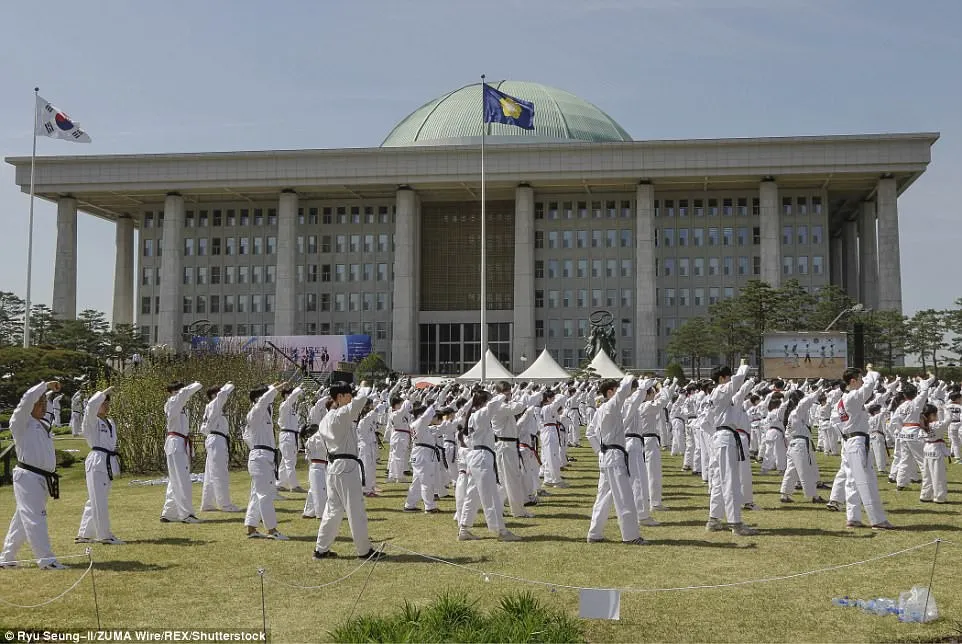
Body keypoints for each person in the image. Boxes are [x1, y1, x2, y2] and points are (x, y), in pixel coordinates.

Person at [314, 381, 386, 560]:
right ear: (339, 397)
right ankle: (364, 550)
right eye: (348, 395)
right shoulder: (342, 415)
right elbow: (361, 398)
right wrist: (363, 385)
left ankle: (321, 549)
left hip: (333, 467)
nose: (351, 398)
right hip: (346, 466)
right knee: (355, 509)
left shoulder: (325, 419)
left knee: (333, 510)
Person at [0, 381, 66, 569]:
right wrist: (45, 385)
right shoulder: (20, 422)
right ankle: (46, 560)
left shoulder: (42, 424)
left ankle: (6, 557)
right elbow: (27, 399)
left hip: (42, 478)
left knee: (22, 519)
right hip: (28, 477)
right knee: (36, 517)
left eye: (45, 403)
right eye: (40, 403)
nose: (43, 406)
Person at [586, 375, 646, 545]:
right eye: (616, 389)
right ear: (610, 392)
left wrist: (599, 451)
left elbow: (590, 432)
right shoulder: (611, 405)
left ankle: (594, 533)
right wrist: (630, 377)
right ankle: (631, 536)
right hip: (614, 456)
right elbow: (625, 389)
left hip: (606, 456)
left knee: (603, 496)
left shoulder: (601, 409)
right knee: (624, 496)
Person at [836, 365, 895, 530]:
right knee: (866, 480)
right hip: (856, 441)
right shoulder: (853, 397)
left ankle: (853, 517)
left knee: (852, 481)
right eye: (860, 379)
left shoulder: (842, 400)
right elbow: (869, 385)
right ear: (853, 381)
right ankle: (877, 520)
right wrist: (871, 371)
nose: (862, 382)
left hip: (849, 442)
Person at [706, 362, 758, 536]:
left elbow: (739, 394)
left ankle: (714, 519)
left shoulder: (723, 398)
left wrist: (749, 383)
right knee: (730, 481)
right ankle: (735, 523)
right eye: (727, 377)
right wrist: (744, 368)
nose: (729, 380)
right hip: (725, 438)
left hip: (723, 438)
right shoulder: (720, 391)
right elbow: (735, 384)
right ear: (722, 378)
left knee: (720, 481)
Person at [76, 387, 123, 544]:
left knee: (95, 499)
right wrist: (103, 392)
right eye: (103, 403)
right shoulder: (90, 421)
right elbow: (90, 406)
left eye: (107, 403)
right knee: (99, 500)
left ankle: (84, 533)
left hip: (106, 461)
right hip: (96, 460)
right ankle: (104, 535)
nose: (106, 406)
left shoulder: (110, 422)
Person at [243, 383, 289, 540]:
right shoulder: (255, 412)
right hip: (260, 457)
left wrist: (271, 387)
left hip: (265, 456)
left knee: (256, 495)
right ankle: (272, 530)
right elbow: (263, 401)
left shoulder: (265, 413)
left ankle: (251, 529)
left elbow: (264, 400)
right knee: (265, 495)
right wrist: (274, 389)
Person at [161, 381, 203, 523]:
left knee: (175, 479)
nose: (180, 393)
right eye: (176, 391)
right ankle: (186, 514)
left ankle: (169, 512)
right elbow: (183, 394)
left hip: (179, 442)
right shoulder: (173, 402)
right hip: (176, 443)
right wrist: (197, 384)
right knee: (182, 480)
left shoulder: (181, 406)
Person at [200, 383, 241, 512]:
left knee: (210, 474)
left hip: (213, 439)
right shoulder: (214, 405)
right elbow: (223, 394)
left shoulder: (212, 408)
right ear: (214, 395)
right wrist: (229, 385)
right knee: (220, 472)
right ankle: (225, 504)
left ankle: (207, 503)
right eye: (217, 393)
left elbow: (204, 429)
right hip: (217, 440)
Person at [276, 385, 306, 493]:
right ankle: (294, 485)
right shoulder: (284, 405)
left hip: (291, 435)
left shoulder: (291, 408)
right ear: (286, 395)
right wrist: (298, 389)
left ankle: (281, 483)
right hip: (287, 435)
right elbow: (291, 399)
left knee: (285, 461)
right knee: (290, 461)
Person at [919, 402, 950, 503]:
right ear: (932, 415)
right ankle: (939, 497)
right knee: (938, 474)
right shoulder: (936, 425)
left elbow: (921, 438)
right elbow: (948, 420)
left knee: (927, 475)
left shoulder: (923, 425)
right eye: (935, 414)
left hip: (927, 448)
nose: (937, 416)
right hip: (936, 449)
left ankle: (925, 495)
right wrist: (945, 409)